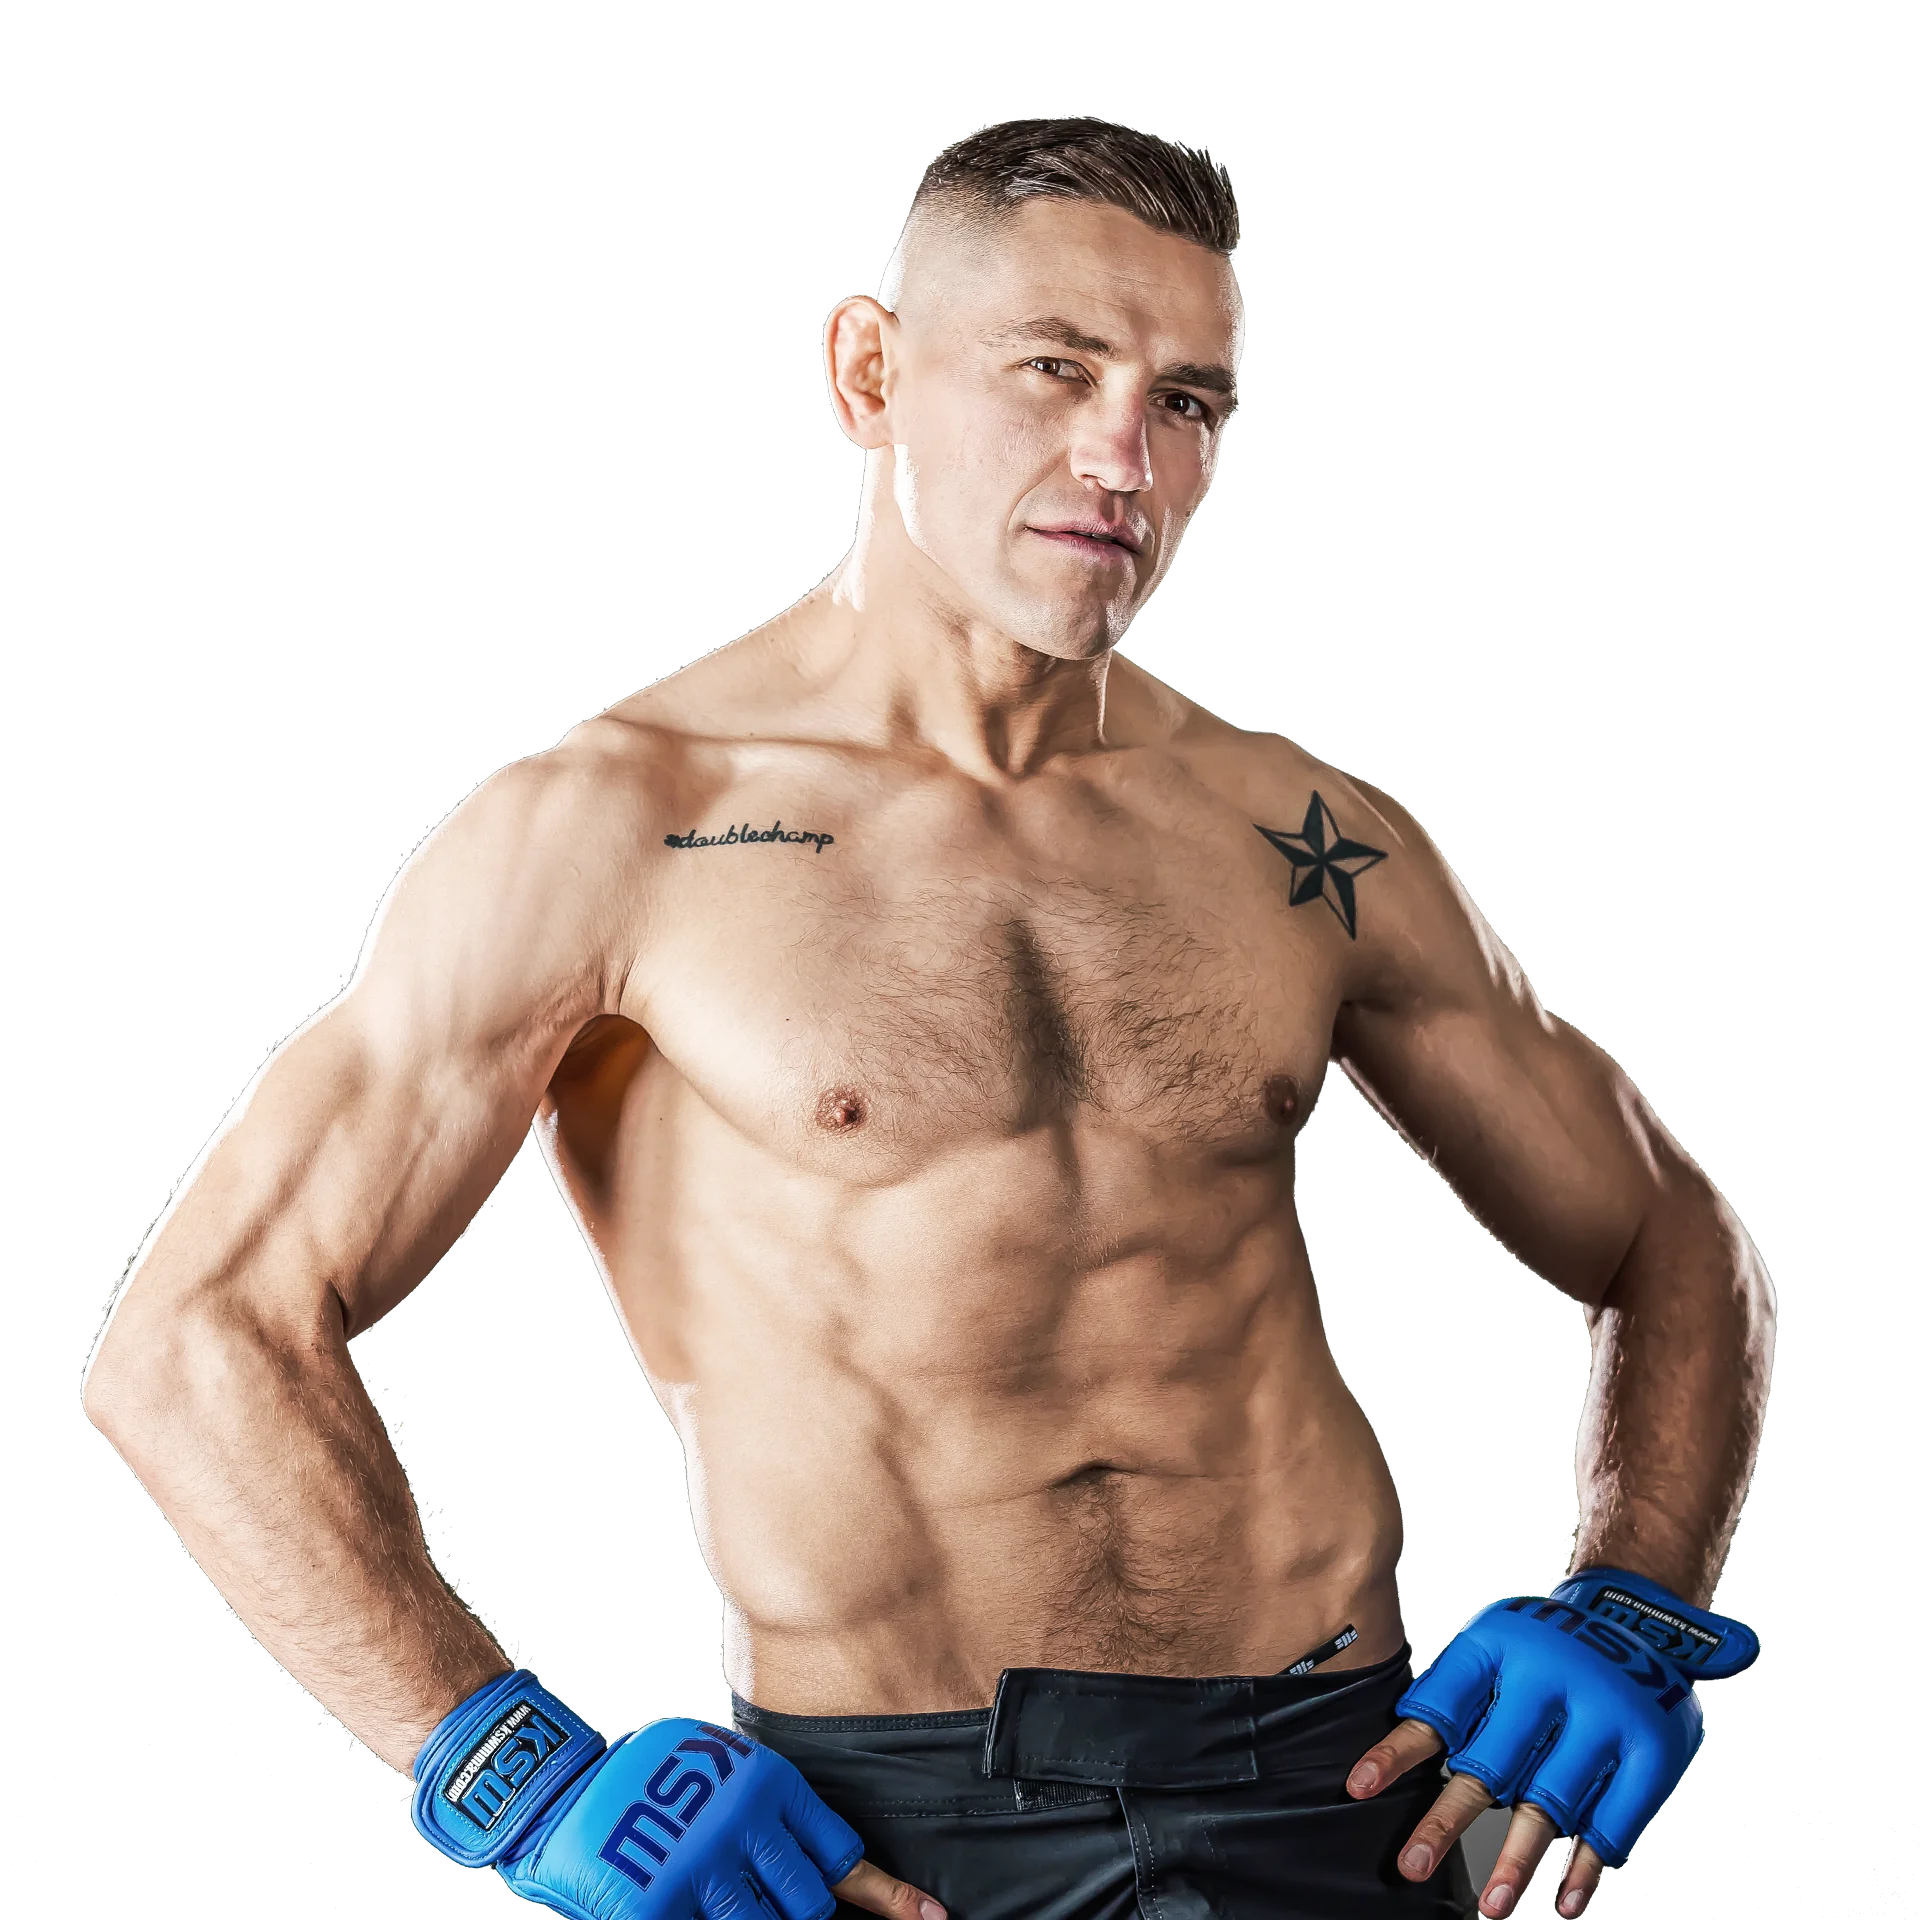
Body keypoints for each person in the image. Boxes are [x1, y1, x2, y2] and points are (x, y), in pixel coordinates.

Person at [83, 116, 1774, 1920]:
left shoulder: (1298, 836)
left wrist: (1636, 1593)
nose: (1122, 458)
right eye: (1057, 369)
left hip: (1348, 1790)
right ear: (868, 370)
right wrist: (509, 1768)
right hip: (885, 1839)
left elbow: (1669, 1236)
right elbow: (198, 1339)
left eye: (1186, 403)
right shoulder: (621, 827)